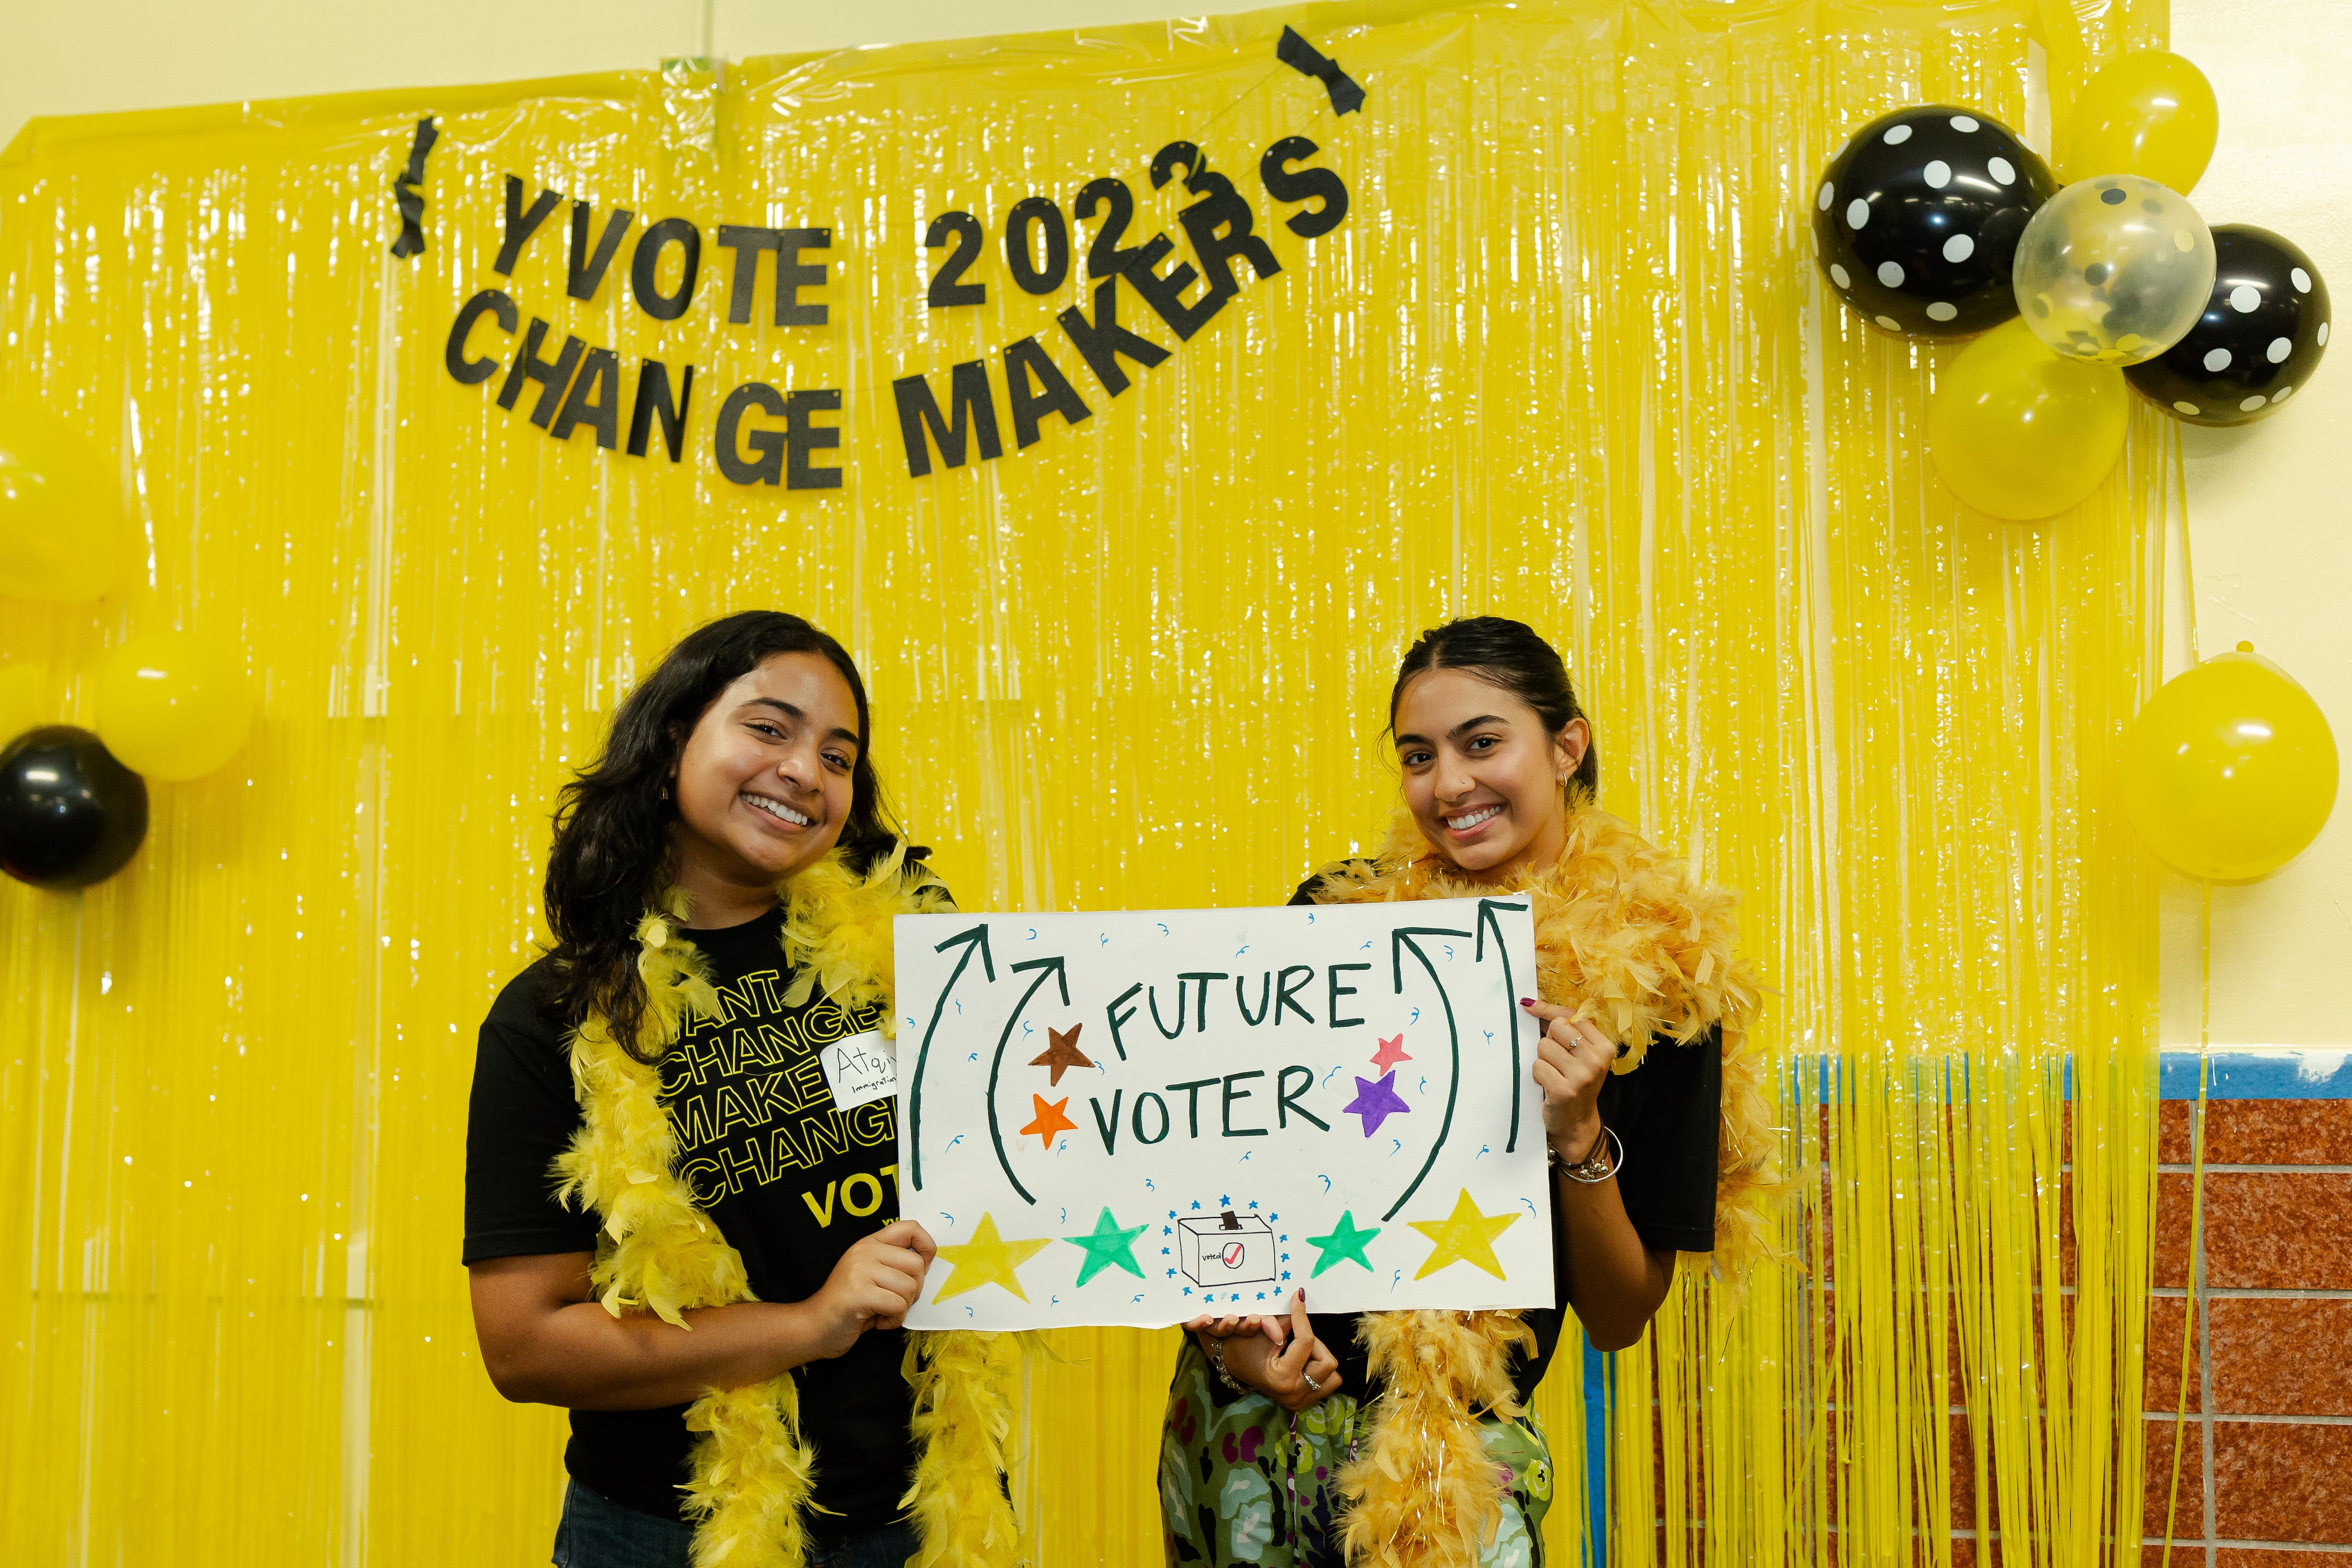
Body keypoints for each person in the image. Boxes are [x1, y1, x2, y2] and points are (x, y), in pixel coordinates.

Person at [1160, 616, 1775, 1568]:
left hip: (1463, 1454)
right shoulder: (1330, 919)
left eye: (1481, 741)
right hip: (1251, 1433)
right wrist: (1230, 1339)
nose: (1448, 785)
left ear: (1566, 744)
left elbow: (1619, 1313)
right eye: (1418, 754)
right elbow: (1222, 1165)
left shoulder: (1667, 982)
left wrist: (1577, 1133)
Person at [462, 610, 957, 1568]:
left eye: (838, 754)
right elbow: (525, 1345)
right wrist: (809, 1323)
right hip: (667, 1534)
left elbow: (1061, 1160)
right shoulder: (555, 1016)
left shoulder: (918, 966)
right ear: (669, 743)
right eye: (769, 728)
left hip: (922, 1515)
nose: (807, 770)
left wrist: (1236, 1304)